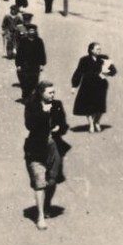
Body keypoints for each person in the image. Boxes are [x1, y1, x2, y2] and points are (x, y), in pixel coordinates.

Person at [23, 81, 70, 231]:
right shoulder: (32, 106)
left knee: (52, 180)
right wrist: (45, 113)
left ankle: (47, 204)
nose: (53, 95)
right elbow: (30, 125)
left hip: (53, 148)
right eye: (50, 92)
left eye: (53, 92)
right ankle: (40, 217)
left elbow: (64, 124)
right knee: (39, 182)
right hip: (35, 149)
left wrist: (59, 128)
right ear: (41, 93)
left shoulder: (57, 104)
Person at [71, 42, 118, 133]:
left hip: (101, 85)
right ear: (91, 50)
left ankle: (97, 121)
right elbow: (78, 72)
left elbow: (113, 71)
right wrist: (74, 85)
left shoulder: (103, 59)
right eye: (97, 49)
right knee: (88, 105)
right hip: (88, 85)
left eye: (100, 49)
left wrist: (106, 73)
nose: (99, 51)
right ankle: (91, 124)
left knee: (100, 106)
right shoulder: (84, 60)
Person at [15, 23, 47, 100]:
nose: (32, 32)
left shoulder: (39, 41)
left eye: (33, 30)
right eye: (30, 30)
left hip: (35, 65)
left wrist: (42, 64)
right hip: (24, 65)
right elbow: (19, 53)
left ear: (35, 31)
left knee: (34, 81)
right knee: (24, 81)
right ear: (27, 31)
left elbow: (42, 53)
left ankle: (31, 97)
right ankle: (25, 95)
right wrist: (18, 65)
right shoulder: (23, 40)